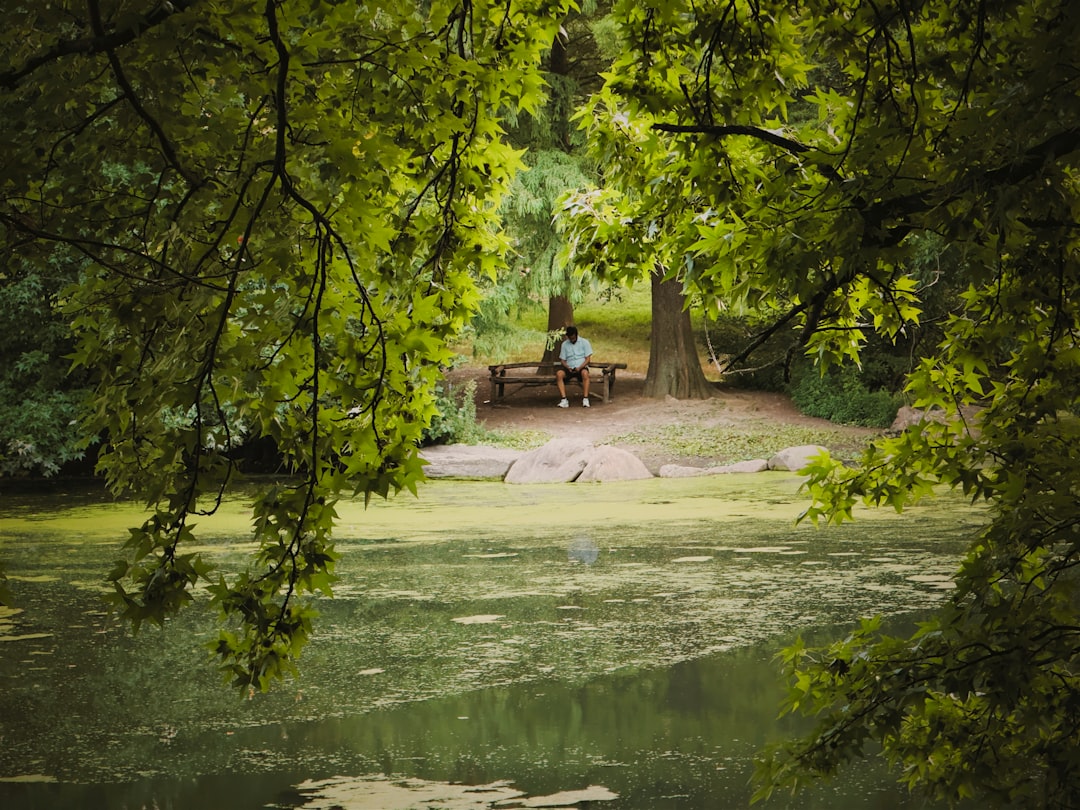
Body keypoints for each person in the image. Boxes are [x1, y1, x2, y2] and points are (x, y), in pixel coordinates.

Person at [556, 325, 592, 408]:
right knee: (559, 374)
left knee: (585, 374)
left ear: (576, 335)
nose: (572, 340)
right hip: (569, 367)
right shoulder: (564, 345)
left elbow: (587, 359)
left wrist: (580, 367)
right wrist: (567, 367)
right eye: (570, 338)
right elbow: (562, 360)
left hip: (581, 367)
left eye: (573, 338)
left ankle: (585, 399)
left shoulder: (584, 342)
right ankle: (564, 399)